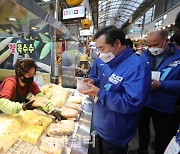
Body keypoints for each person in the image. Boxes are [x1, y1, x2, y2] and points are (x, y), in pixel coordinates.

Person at [80, 26, 151, 154]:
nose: (101, 53)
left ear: (117, 43)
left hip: (115, 132)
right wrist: (94, 82)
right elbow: (108, 83)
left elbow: (132, 103)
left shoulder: (137, 66)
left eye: (102, 48)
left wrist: (99, 93)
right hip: (101, 125)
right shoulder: (111, 61)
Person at [129, 30, 180, 154]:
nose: (152, 48)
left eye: (155, 44)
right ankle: (142, 149)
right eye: (149, 45)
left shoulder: (178, 58)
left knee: (162, 134)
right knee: (142, 128)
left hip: (164, 104)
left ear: (166, 41)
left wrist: (162, 84)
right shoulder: (144, 56)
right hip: (144, 100)